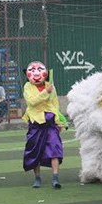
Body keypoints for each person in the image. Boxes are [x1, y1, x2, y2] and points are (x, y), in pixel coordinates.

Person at [22, 61, 64, 189]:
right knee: (35, 150)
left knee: (55, 148)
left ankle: (55, 177)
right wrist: (46, 92)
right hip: (35, 122)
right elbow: (32, 102)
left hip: (50, 122)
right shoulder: (28, 87)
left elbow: (55, 103)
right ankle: (37, 178)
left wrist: (60, 121)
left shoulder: (50, 86)